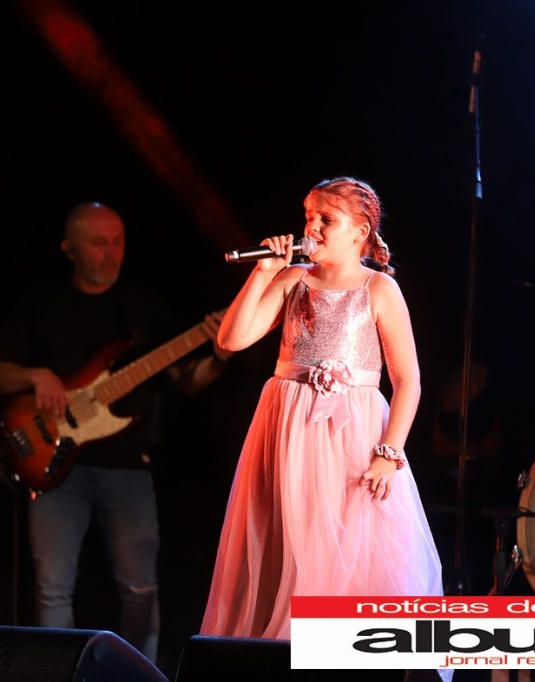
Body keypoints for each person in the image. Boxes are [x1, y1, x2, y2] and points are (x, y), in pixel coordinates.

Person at [200, 177, 447, 665]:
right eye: (308, 217)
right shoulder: (293, 279)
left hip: (350, 437)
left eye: (325, 219)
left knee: (344, 548)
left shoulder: (379, 288)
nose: (311, 227)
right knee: (287, 543)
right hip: (287, 429)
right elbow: (231, 339)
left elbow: (408, 381)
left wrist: (389, 452)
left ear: (360, 231)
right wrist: (263, 272)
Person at [0, 201, 231, 663]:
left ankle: (138, 674)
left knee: (141, 587)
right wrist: (36, 375)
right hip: (53, 469)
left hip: (128, 467)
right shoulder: (42, 301)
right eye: (98, 242)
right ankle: (56, 672)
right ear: (69, 248)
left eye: (118, 241)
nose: (110, 252)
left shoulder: (143, 308)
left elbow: (184, 382)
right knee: (52, 587)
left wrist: (218, 358)